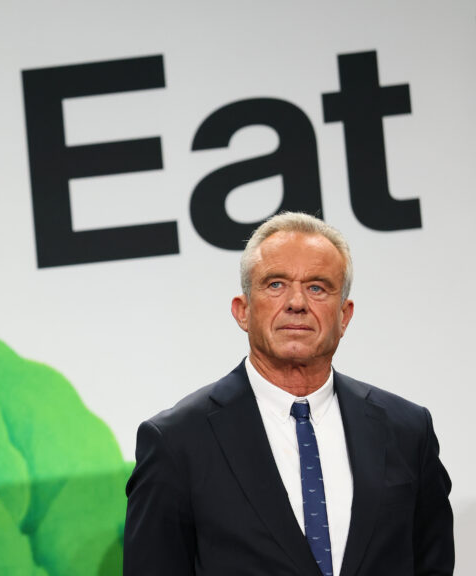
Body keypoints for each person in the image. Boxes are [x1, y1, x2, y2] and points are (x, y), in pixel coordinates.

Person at [124, 212, 454, 575]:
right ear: (243, 311)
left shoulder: (408, 430)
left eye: (317, 287)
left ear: (344, 315)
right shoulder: (177, 442)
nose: (297, 302)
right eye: (276, 284)